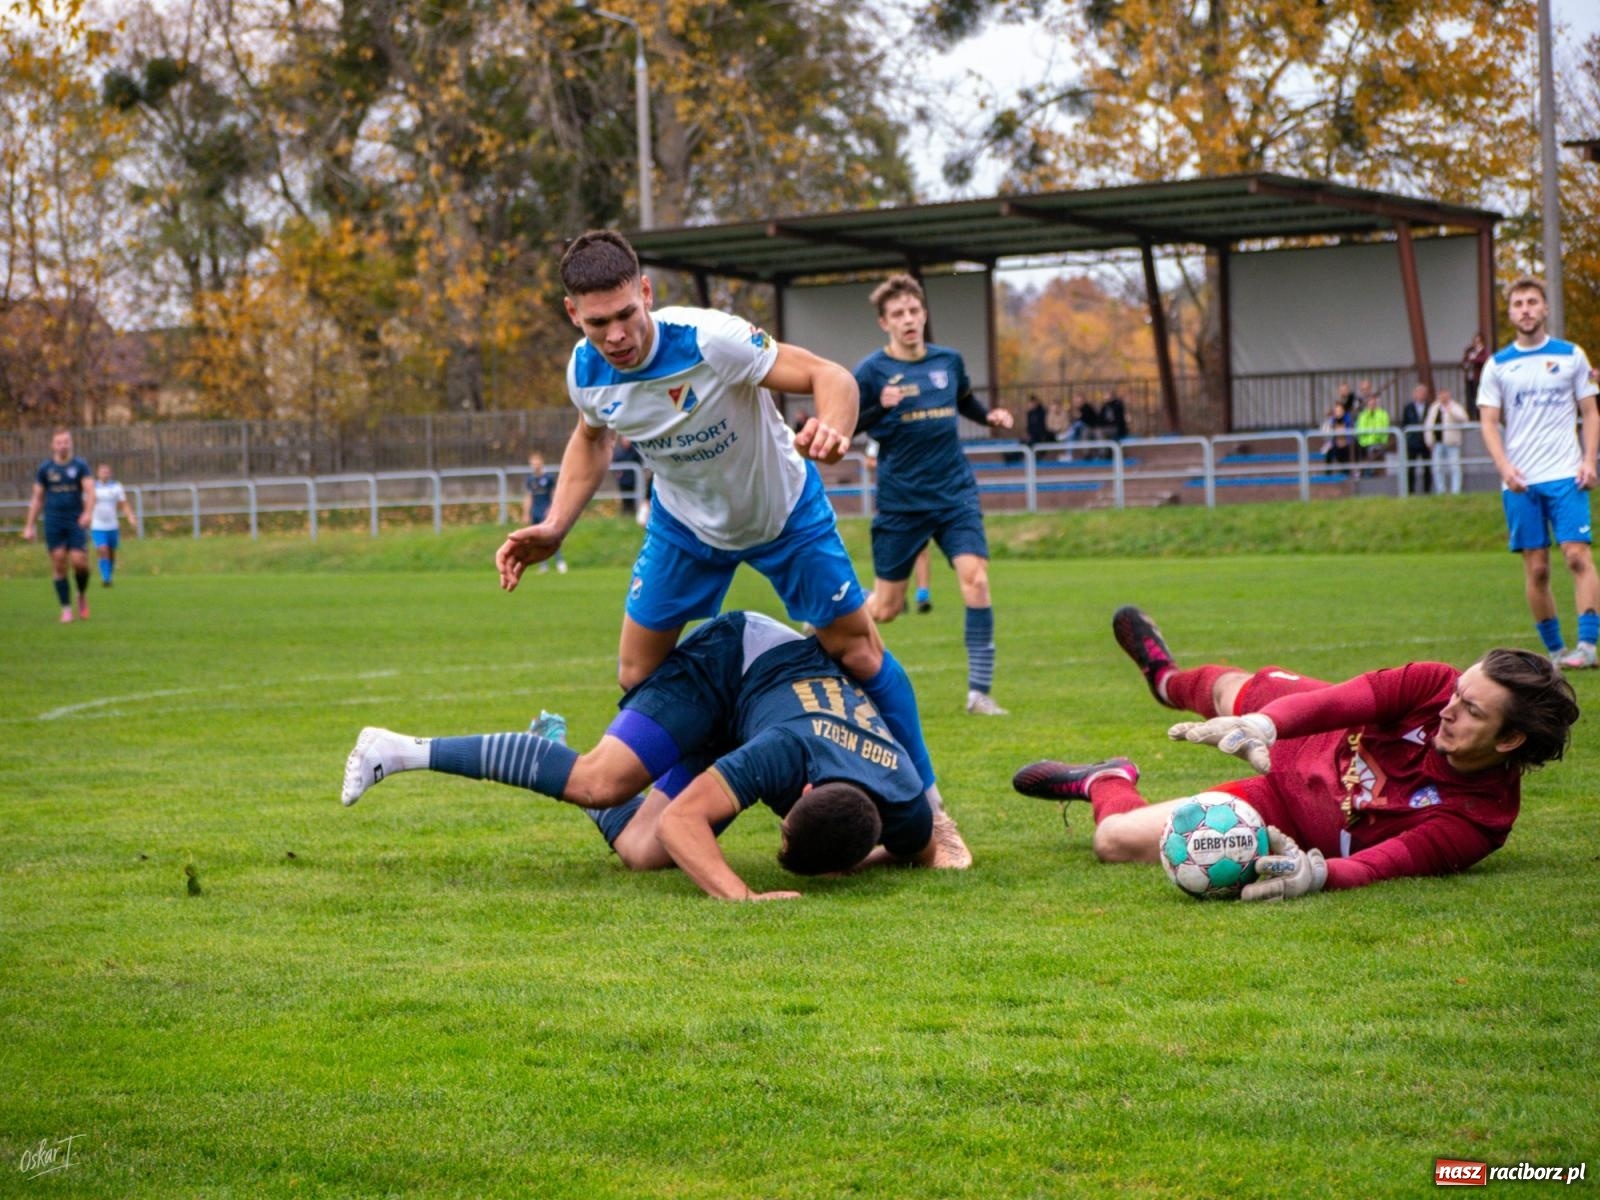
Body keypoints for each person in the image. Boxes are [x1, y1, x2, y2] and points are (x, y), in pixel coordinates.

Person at [492, 231, 967, 863]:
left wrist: (834, 426)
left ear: (646, 294)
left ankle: (933, 815)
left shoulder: (710, 338)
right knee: (637, 674)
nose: (617, 336)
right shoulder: (585, 370)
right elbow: (593, 437)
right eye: (599, 322)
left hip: (782, 514)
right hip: (685, 528)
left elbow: (829, 377)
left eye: (627, 315)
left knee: (856, 650)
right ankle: (684, 786)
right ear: (573, 314)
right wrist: (555, 526)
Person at [341, 612, 954, 898]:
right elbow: (687, 820)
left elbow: (917, 853)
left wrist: (856, 859)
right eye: (787, 834)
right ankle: (397, 750)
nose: (779, 840)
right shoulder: (784, 753)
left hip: (763, 710)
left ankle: (548, 748)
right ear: (807, 792)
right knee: (599, 781)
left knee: (641, 852)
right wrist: (743, 899)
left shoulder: (905, 807)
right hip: (733, 662)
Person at [1012, 606, 1579, 899]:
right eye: (1459, 694)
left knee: (1112, 842)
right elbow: (1344, 700)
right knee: (1223, 693)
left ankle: (1105, 779)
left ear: (1510, 741)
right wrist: (1264, 723)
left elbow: (1383, 865)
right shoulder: (1433, 684)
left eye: (1472, 711)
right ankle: (1165, 678)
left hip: (1281, 818)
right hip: (1310, 729)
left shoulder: (1477, 820)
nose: (1449, 710)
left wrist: (1315, 877)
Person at [853, 272, 1014, 716]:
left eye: (914, 311)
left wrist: (990, 417)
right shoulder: (871, 372)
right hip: (902, 501)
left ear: (924, 314)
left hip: (954, 493)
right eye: (898, 314)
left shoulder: (949, 361)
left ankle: (979, 693)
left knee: (976, 579)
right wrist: (876, 407)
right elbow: (849, 423)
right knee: (886, 608)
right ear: (884, 323)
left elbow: (964, 401)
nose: (908, 319)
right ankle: (831, 625)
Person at [1478, 276, 1600, 670]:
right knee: (1538, 567)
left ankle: (1588, 646)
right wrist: (1505, 467)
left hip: (1566, 474)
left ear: (1545, 308)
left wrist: (1589, 460)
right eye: (1518, 303)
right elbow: (1488, 422)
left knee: (1577, 556)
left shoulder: (1571, 356)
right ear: (1510, 312)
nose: (1526, 309)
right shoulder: (1497, 365)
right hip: (1520, 481)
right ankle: (1556, 652)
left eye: (1533, 302)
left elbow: (1590, 412)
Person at [22, 428, 94, 623]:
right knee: (59, 560)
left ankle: (81, 594)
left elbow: (90, 491)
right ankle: (66, 609)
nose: (63, 445)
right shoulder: (45, 469)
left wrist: (87, 513)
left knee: (80, 562)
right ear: (53, 445)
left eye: (66, 442)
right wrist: (29, 525)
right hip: (53, 521)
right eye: (59, 442)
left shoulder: (80, 466)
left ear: (71, 443)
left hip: (75, 520)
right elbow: (37, 499)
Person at [89, 462, 137, 586]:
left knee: (111, 552)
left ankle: (108, 574)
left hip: (112, 525)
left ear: (110, 473)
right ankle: (106, 578)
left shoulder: (116, 487)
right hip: (97, 525)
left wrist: (130, 516)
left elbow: (123, 504)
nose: (105, 474)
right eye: (102, 471)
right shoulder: (92, 487)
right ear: (98, 473)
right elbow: (86, 504)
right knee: (103, 549)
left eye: (107, 471)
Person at [523, 452, 567, 574]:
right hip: (535, 512)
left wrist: (554, 508)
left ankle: (560, 562)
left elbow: (554, 494)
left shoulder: (548, 478)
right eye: (532, 463)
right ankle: (543, 565)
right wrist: (526, 513)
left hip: (546, 511)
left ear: (541, 462)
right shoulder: (530, 480)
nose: (534, 465)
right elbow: (528, 496)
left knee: (551, 538)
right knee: (537, 540)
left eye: (536, 462)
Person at [1424, 387, 1469, 495]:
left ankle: (1455, 491)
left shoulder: (1455, 406)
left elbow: (1464, 418)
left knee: (1455, 467)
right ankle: (1441, 491)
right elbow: (1428, 423)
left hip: (1452, 443)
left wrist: (1450, 411)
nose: (1443, 397)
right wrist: (1429, 439)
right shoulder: (1434, 407)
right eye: (1441, 395)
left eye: (1445, 394)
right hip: (1437, 443)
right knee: (1437, 467)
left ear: (1448, 395)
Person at [1401, 384, 1433, 496]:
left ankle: (1427, 492)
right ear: (1414, 394)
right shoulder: (1408, 408)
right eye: (1419, 392)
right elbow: (1404, 423)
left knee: (1427, 467)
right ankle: (1410, 492)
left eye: (1423, 393)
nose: (1421, 395)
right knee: (1410, 468)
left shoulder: (1430, 407)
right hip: (1412, 442)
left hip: (1426, 442)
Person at [1355, 391, 1391, 473]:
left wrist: (1373, 438)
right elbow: (1361, 429)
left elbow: (1382, 428)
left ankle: (1378, 474)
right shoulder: (1363, 415)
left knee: (1376, 451)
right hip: (1364, 444)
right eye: (1370, 402)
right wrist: (1368, 414)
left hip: (1379, 443)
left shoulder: (1383, 414)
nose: (1372, 404)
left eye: (1373, 402)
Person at [1462, 331, 1489, 411]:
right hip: (1469, 377)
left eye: (1479, 341)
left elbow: (1484, 360)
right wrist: (1466, 364)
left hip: (1478, 377)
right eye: (1475, 341)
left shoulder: (1484, 351)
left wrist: (1474, 359)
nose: (1477, 343)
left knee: (1478, 397)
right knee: (1469, 397)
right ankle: (1470, 413)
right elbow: (1464, 361)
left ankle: (1478, 415)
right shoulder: (1470, 350)